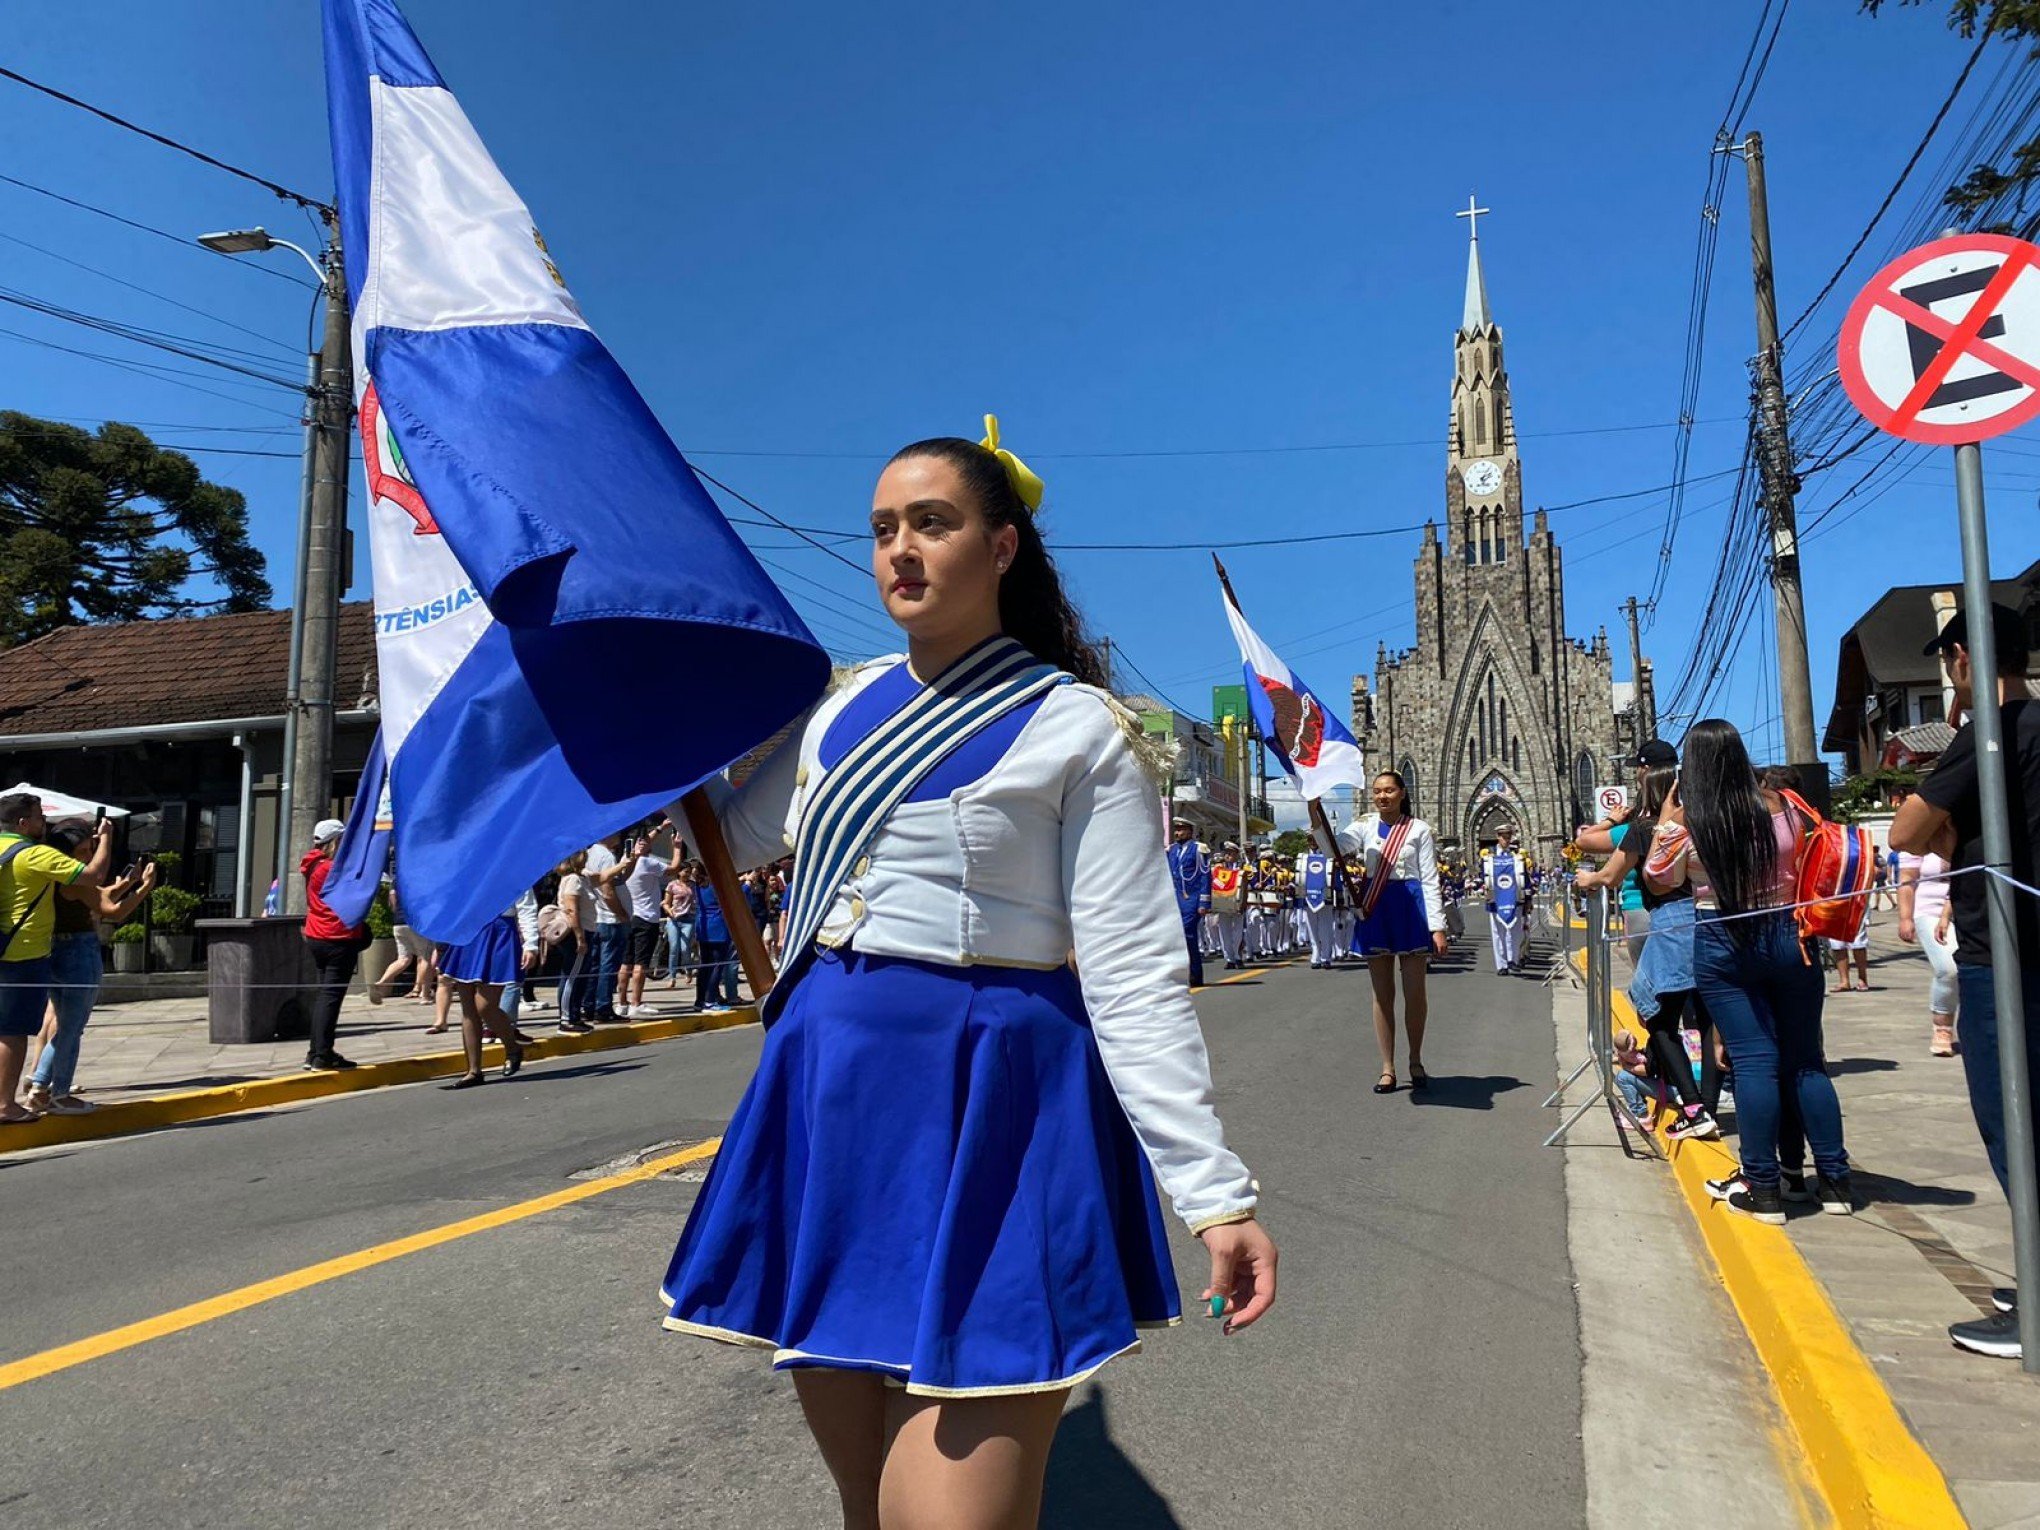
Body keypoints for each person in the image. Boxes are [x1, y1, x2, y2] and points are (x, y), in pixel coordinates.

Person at [659, 424, 1275, 1527]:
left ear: (1001, 548)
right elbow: (738, 840)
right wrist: (652, 717)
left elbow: (1132, 972)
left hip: (999, 1103)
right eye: (885, 529)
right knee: (869, 1507)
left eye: (932, 523)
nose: (901, 549)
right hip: (836, 1101)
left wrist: (1213, 1191)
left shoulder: (1078, 728)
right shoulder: (839, 708)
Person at [1891, 600, 2037, 1359]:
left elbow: (1908, 832)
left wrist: (1947, 819)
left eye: (1950, 661)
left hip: (1998, 950)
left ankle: (2037, 1310)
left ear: (1966, 660)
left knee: (2012, 1127)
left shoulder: (1981, 736)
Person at [1649, 720, 1849, 1224]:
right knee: (1805, 1060)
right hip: (1790, 933)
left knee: (1753, 1060)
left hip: (1722, 937)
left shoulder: (1693, 821)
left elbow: (1659, 879)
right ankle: (1834, 1180)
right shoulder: (1785, 807)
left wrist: (1667, 822)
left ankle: (1762, 1188)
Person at [1578, 764, 1721, 1141]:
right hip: (1708, 916)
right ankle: (1708, 1104)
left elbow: (1608, 875)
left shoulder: (1646, 829)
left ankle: (1692, 1106)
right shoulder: (1705, 824)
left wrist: (1587, 879)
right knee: (1704, 1017)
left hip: (1671, 923)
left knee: (1656, 1016)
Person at [20, 825, 152, 1116]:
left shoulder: (46, 876)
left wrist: (127, 884)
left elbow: (99, 894)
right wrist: (144, 888)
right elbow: (111, 909)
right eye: (83, 852)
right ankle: (52, 1091)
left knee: (64, 1025)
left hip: (50, 950)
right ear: (66, 854)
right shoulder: (74, 880)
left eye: (91, 851)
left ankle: (41, 1089)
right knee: (70, 1028)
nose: (88, 858)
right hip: (78, 952)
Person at [1337, 771, 1448, 1094]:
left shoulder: (1419, 829)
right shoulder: (1364, 826)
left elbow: (1429, 878)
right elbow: (1336, 849)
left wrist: (1437, 927)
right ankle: (1387, 1067)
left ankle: (1415, 1059)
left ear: (1402, 793)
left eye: (1389, 790)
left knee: (1415, 993)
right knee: (1382, 994)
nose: (1382, 796)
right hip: (1377, 906)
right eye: (1377, 791)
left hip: (1411, 908)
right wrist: (1316, 818)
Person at [439, 891, 540, 1088]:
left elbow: (526, 906)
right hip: (468, 932)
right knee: (468, 1007)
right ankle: (473, 1071)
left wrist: (531, 944)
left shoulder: (515, 870)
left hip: (499, 932)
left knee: (484, 1005)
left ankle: (512, 1047)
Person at [300, 818, 369, 1072]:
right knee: (331, 998)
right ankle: (322, 1053)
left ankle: (315, 1052)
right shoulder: (330, 868)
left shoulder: (312, 865)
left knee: (324, 997)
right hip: (337, 937)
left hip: (316, 934)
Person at [1896, 850, 1959, 1057]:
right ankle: (1943, 1028)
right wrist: (1906, 917)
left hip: (1970, 906)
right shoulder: (1919, 837)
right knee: (1948, 969)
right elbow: (1907, 879)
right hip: (1929, 910)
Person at [582, 831, 636, 1023]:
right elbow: (608, 889)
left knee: (596, 964)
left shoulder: (591, 853)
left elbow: (618, 878)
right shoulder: (605, 856)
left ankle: (589, 1005)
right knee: (608, 965)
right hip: (611, 919)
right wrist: (621, 914)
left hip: (598, 917)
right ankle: (603, 1007)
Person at [620, 829, 670, 1019]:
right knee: (641, 963)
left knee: (626, 962)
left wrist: (659, 829)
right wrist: (677, 846)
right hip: (647, 917)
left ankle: (622, 1002)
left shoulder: (623, 862)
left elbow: (644, 841)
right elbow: (674, 868)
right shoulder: (648, 863)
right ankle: (636, 1002)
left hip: (630, 915)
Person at [551, 850, 596, 1034]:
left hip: (586, 930)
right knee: (572, 975)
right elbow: (572, 909)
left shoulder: (581, 877)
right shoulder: (573, 880)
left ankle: (574, 1015)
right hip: (577, 932)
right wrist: (580, 937)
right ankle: (566, 1018)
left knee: (578, 975)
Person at [1166, 817, 1210, 987]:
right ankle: (1185, 973)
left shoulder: (1199, 849)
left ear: (1190, 831)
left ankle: (1194, 974)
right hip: (1175, 899)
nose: (1178, 833)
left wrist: (1204, 902)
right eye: (1176, 829)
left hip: (1192, 899)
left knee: (1187, 933)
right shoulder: (1172, 850)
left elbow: (1205, 875)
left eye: (1182, 829)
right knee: (1178, 937)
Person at [1481, 823, 1530, 974]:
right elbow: (1483, 875)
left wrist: (1528, 898)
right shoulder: (1488, 856)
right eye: (1503, 837)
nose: (1506, 840)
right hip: (1496, 898)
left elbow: (1524, 877)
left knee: (1515, 931)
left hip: (1514, 898)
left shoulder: (1516, 856)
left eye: (1508, 837)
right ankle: (1501, 964)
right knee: (1498, 932)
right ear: (1498, 837)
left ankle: (1513, 960)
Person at [1296, 841, 1338, 969]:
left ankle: (1326, 956)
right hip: (1308, 897)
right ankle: (1316, 955)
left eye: (1315, 839)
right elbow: (1299, 878)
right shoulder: (1303, 858)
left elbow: (1335, 877)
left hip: (1326, 896)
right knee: (1312, 927)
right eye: (1310, 839)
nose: (1313, 842)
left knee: (1326, 928)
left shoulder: (1329, 857)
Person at [662, 861, 697, 992]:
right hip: (674, 919)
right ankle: (672, 976)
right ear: (679, 872)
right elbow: (666, 902)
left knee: (684, 948)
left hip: (689, 919)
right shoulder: (672, 885)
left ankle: (688, 969)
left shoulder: (693, 885)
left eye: (689, 872)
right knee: (674, 947)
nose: (687, 874)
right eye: (685, 871)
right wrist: (669, 911)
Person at [1210, 844, 1246, 969]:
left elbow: (1245, 886)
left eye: (1231, 853)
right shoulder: (1218, 869)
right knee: (1224, 932)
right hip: (1222, 903)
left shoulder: (1243, 868)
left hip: (1237, 903)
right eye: (1226, 853)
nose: (1228, 856)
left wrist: (1243, 904)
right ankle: (1229, 959)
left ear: (1236, 854)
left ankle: (1237, 956)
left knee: (1237, 933)